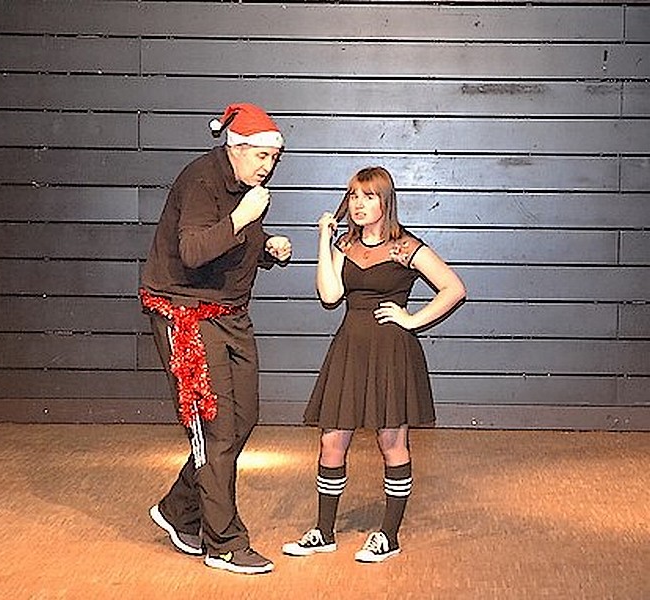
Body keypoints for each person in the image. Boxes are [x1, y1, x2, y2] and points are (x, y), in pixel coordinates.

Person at [282, 166, 466, 563]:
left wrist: (412, 319)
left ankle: (388, 536)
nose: (358, 204)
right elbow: (330, 295)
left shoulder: (406, 246)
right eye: (353, 196)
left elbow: (454, 288)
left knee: (391, 441)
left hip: (390, 351)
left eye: (368, 197)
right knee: (331, 440)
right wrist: (324, 240)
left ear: (386, 201)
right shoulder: (345, 244)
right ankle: (324, 532)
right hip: (350, 347)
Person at [140, 103, 291, 575]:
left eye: (274, 158)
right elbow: (191, 251)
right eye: (262, 156)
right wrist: (243, 220)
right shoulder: (202, 181)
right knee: (215, 429)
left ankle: (178, 509)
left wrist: (265, 249)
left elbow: (223, 246)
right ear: (236, 148)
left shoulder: (247, 190)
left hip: (230, 313)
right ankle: (224, 543)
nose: (268, 166)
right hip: (185, 313)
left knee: (243, 418)